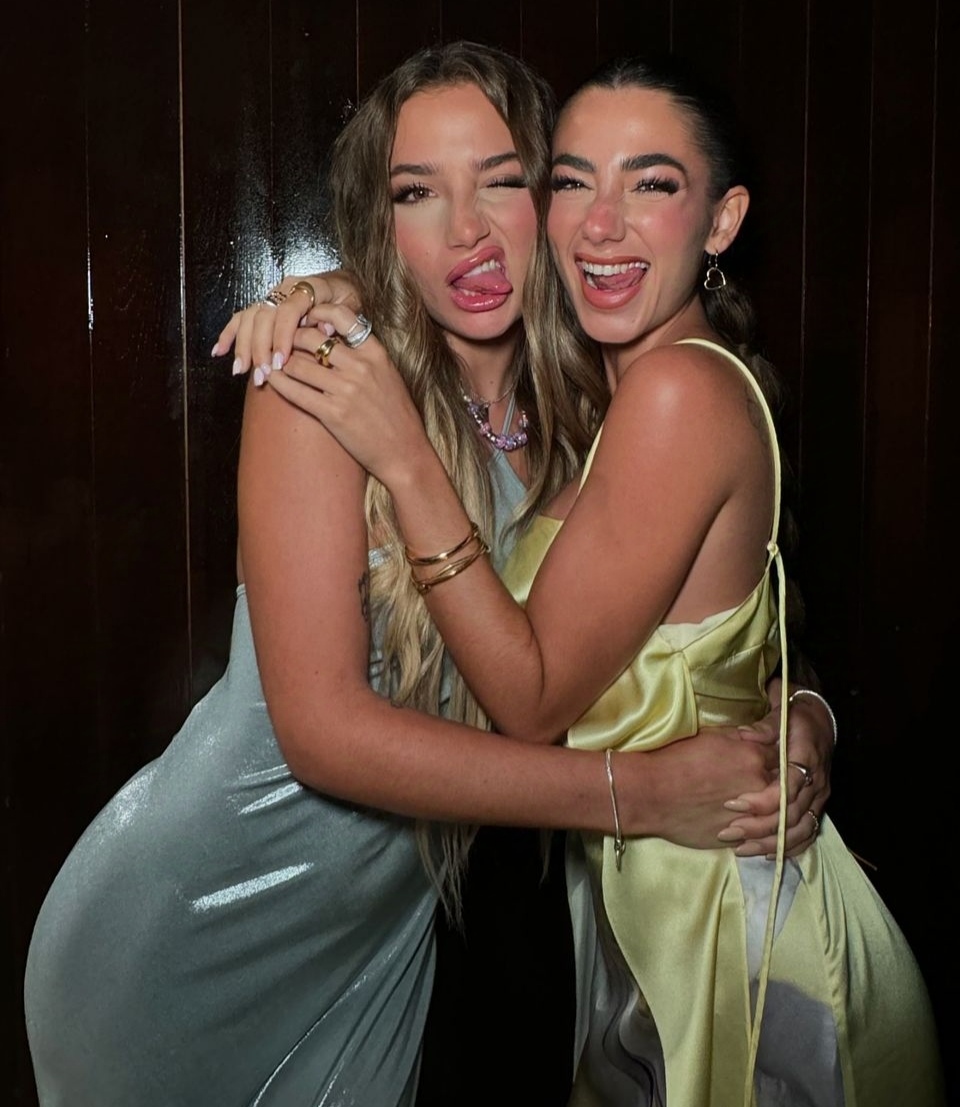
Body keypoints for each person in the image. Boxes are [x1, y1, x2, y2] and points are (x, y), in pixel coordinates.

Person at [23, 44, 832, 1107]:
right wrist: (636, 795)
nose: (464, 232)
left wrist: (803, 712)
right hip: (202, 922)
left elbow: (704, 616)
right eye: (417, 193)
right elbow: (323, 733)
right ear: (382, 222)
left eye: (502, 180)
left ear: (551, 203)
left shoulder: (589, 413)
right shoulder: (320, 380)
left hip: (379, 949)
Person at [251, 54, 945, 1106]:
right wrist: (800, 711)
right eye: (575, 181)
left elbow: (538, 696)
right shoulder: (584, 396)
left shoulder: (662, 392)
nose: (602, 222)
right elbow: (710, 627)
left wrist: (406, 461)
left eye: (651, 182)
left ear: (723, 220)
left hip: (722, 937)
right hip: (591, 920)